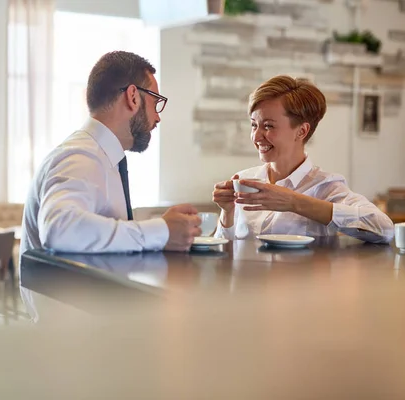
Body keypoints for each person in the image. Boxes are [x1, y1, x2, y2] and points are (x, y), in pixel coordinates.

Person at [20, 51, 201, 255]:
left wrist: (166, 232)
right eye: (155, 102)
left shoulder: (101, 157)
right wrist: (161, 230)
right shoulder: (81, 156)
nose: (158, 117)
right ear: (133, 97)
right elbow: (59, 228)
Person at [212, 75, 394, 243]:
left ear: (301, 131)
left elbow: (385, 229)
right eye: (254, 125)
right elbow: (225, 252)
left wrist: (294, 202)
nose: (256, 136)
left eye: (268, 126)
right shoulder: (244, 180)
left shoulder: (326, 186)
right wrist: (227, 212)